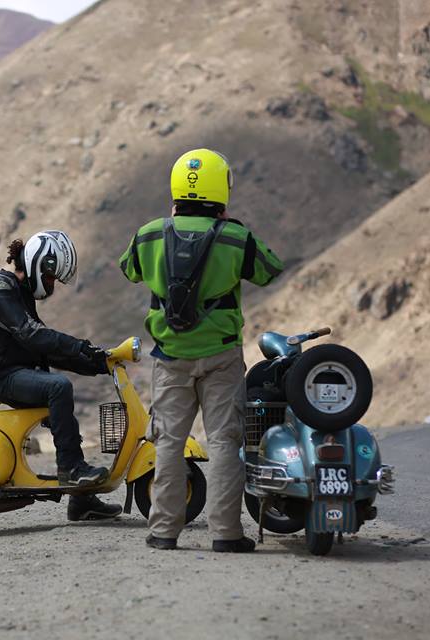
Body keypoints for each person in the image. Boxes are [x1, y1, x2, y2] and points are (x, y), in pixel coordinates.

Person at [118, 149, 284, 551]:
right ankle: (226, 534)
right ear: (221, 190)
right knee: (226, 441)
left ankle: (163, 532)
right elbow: (270, 268)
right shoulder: (234, 238)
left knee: (169, 442)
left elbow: (129, 268)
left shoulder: (150, 234)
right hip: (222, 358)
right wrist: (234, 232)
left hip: (170, 358)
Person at [0, 229, 122, 521]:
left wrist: (99, 361)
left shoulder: (17, 292)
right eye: (50, 278)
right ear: (37, 265)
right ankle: (71, 471)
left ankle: (81, 500)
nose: (51, 285)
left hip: (10, 369)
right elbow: (35, 336)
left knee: (61, 402)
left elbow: (44, 350)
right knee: (58, 388)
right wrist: (81, 346)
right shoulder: (0, 290)